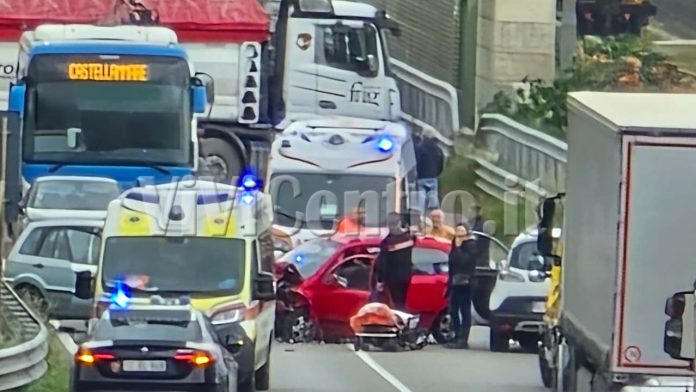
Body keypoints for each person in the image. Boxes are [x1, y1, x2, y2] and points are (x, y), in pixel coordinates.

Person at [446, 222, 479, 349]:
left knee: (465, 310)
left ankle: (463, 339)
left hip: (466, 282)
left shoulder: (471, 245)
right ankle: (457, 334)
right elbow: (452, 263)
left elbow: (463, 261)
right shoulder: (454, 246)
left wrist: (459, 247)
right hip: (455, 282)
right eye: (457, 231)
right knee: (453, 310)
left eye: (461, 231)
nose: (458, 235)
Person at [374, 212, 415, 311]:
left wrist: (380, 280)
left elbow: (382, 264)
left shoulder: (387, 242)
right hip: (411, 276)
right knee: (406, 302)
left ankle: (400, 321)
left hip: (394, 279)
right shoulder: (410, 238)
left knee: (398, 304)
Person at [415, 126, 445, 212]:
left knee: (421, 197)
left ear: (423, 136)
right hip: (433, 176)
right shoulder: (438, 149)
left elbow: (417, 162)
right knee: (433, 196)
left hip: (421, 177)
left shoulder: (419, 148)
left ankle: (420, 215)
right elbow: (441, 163)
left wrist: (417, 173)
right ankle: (435, 215)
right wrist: (437, 173)